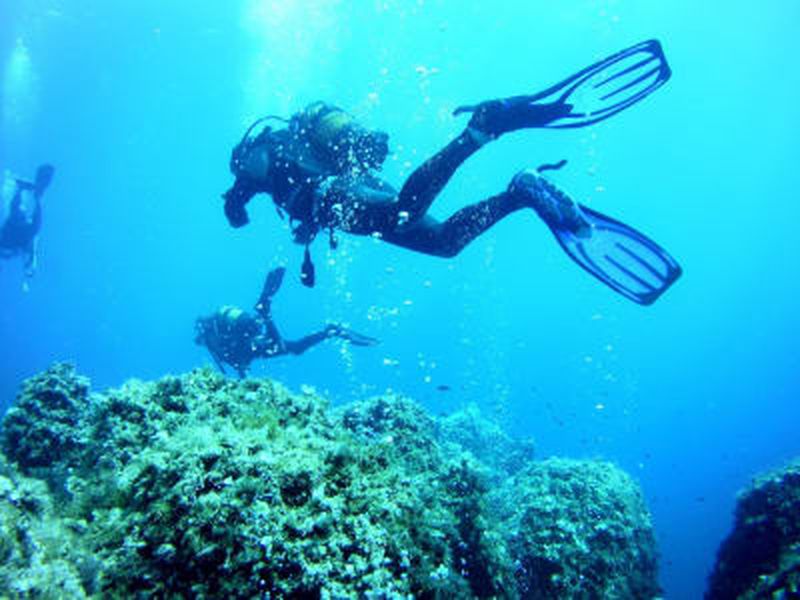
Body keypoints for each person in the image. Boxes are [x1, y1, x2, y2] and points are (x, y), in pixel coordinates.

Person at [222, 40, 682, 305]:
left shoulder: (259, 160)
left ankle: (479, 132)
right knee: (444, 243)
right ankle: (520, 193)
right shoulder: (289, 150)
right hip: (353, 190)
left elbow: (241, 204)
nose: (243, 175)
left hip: (336, 195)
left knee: (403, 211)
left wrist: (237, 198)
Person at [194, 266, 378, 378]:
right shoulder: (215, 340)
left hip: (248, 339)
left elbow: (238, 356)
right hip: (248, 339)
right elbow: (240, 362)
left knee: (280, 345)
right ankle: (330, 331)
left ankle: (264, 311)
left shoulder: (213, 341)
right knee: (296, 348)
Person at [0, 164, 55, 281]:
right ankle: (22, 190)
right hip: (15, 237)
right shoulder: (27, 234)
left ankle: (21, 190)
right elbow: (36, 219)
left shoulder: (21, 233)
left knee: (17, 215)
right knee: (23, 220)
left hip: (13, 237)